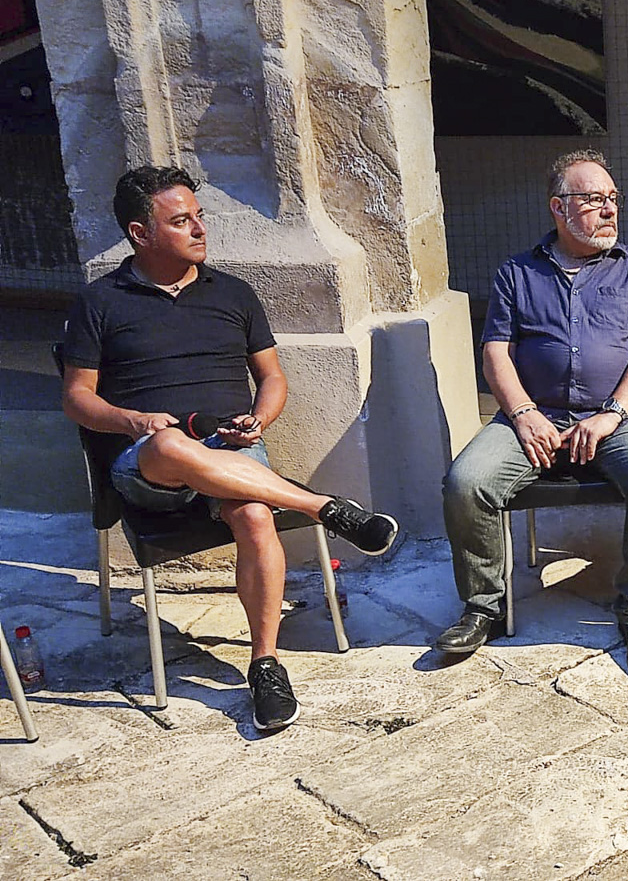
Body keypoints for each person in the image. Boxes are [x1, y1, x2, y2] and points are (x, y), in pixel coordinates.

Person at [61, 166, 400, 732]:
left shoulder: (233, 293)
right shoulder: (101, 301)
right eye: (181, 221)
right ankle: (325, 508)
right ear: (140, 233)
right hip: (149, 463)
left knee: (256, 516)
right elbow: (76, 398)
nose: (199, 229)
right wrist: (133, 420)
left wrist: (258, 420)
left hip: (230, 449)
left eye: (199, 217)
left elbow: (272, 378)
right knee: (171, 442)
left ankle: (264, 664)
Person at [436, 150, 628, 681]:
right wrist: (522, 412)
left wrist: (612, 413)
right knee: (466, 482)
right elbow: (496, 353)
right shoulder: (517, 273)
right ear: (558, 207)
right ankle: (484, 607)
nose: (609, 210)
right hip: (537, 415)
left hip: (624, 418)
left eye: (613, 199)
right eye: (594, 200)